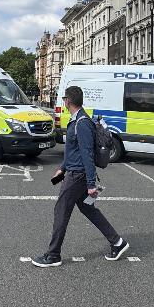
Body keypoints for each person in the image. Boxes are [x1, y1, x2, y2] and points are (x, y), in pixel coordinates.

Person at [32, 85, 128, 267]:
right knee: (88, 209)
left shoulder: (82, 123)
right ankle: (117, 242)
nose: (64, 102)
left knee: (61, 210)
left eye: (64, 99)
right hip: (74, 172)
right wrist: (62, 168)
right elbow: (73, 151)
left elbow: (87, 155)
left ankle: (53, 255)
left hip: (77, 176)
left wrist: (91, 184)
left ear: (67, 101)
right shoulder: (78, 120)